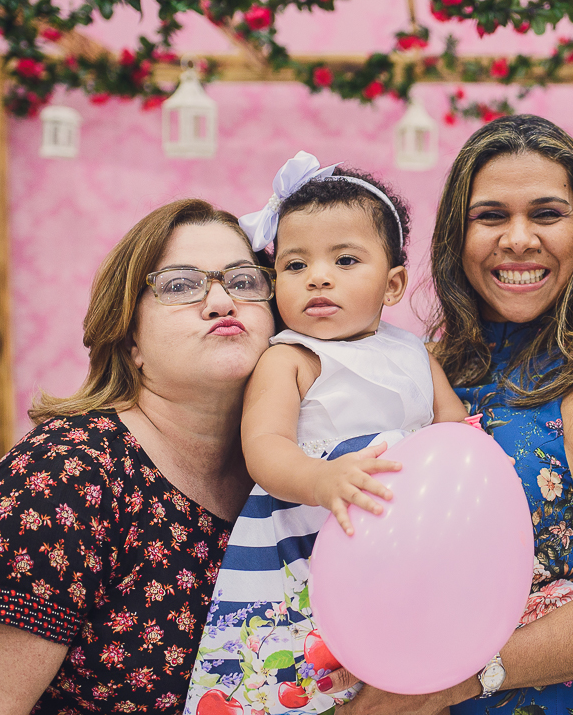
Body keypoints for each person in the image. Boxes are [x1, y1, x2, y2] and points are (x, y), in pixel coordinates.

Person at [342, 114, 573, 715]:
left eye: (548, 214)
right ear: (457, 235)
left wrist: (446, 682)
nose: (519, 238)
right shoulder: (421, 368)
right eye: (491, 216)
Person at [0, 200, 277, 714]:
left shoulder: (288, 476)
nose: (220, 301)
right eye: (181, 285)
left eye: (244, 280)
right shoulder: (57, 481)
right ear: (130, 336)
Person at [183, 152, 467, 715]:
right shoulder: (290, 358)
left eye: (344, 259)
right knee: (293, 673)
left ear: (393, 285)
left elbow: (454, 426)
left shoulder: (414, 353)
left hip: (394, 542)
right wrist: (320, 478)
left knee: (391, 677)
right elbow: (264, 448)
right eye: (294, 265)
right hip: (303, 540)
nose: (318, 276)